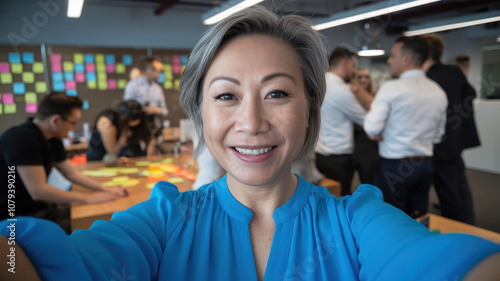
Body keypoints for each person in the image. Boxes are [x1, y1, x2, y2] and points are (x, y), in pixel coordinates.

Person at [1, 7, 499, 281]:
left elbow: (439, 264)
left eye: (278, 93)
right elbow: (39, 262)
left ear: (310, 111)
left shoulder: (358, 221)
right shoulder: (164, 221)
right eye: (226, 96)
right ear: (201, 114)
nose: (252, 121)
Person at [0, 92, 127, 234]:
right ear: (55, 120)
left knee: (95, 220)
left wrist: (103, 188)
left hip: (40, 209)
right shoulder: (22, 139)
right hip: (14, 218)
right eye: (73, 123)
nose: (73, 128)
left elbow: (70, 172)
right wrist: (89, 198)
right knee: (91, 228)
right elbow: (38, 191)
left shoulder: (53, 139)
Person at [364, 36, 448, 218]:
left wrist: (380, 131)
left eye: (393, 55)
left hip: (394, 165)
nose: (389, 60)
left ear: (407, 59)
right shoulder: (438, 91)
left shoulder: (391, 87)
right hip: (424, 165)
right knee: (417, 218)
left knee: (391, 218)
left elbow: (371, 128)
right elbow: (438, 136)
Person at [422, 35, 481, 224]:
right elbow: (471, 93)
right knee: (458, 188)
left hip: (439, 145)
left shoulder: (426, 78)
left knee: (449, 193)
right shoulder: (454, 71)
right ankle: (466, 225)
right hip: (455, 141)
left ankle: (458, 229)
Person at [315, 47, 373, 196]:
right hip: (338, 158)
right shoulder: (341, 89)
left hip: (319, 154)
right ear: (344, 62)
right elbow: (368, 121)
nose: (353, 71)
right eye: (353, 66)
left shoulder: (318, 83)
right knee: (340, 200)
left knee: (324, 198)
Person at [124, 57, 168, 157]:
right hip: (137, 137)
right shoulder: (132, 86)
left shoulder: (158, 89)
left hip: (155, 134)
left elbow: (165, 111)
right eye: (159, 71)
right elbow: (126, 112)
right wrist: (141, 111)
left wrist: (155, 110)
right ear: (149, 71)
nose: (160, 74)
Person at [87, 100, 153, 161]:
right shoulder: (107, 122)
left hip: (118, 160)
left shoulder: (132, 121)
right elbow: (111, 151)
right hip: (98, 160)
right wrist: (124, 137)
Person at [351, 68, 379, 184]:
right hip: (351, 142)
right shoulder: (348, 96)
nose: (364, 80)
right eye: (360, 77)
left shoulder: (376, 97)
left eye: (367, 77)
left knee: (369, 182)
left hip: (370, 146)